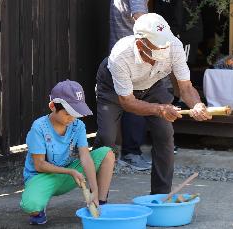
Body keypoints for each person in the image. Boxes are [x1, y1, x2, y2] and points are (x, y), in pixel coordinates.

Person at [94, 13, 212, 194]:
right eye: (157, 52)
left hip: (151, 85)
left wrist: (197, 105)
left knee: (165, 134)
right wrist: (159, 109)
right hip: (113, 88)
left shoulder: (174, 45)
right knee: (106, 138)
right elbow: (128, 103)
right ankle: (97, 198)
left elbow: (186, 88)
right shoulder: (120, 55)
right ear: (140, 44)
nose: (161, 57)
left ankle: (160, 196)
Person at [20, 80, 115, 225]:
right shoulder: (38, 127)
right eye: (68, 113)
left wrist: (93, 189)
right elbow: (39, 165)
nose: (72, 118)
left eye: (75, 113)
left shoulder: (78, 126)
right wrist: (70, 172)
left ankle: (99, 203)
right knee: (31, 206)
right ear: (53, 106)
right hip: (42, 177)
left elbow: (85, 157)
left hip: (68, 174)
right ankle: (40, 207)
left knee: (107, 154)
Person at [109, 0, 151, 171]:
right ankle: (131, 153)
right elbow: (141, 19)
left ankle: (126, 152)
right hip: (132, 55)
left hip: (120, 52)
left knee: (127, 102)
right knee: (135, 104)